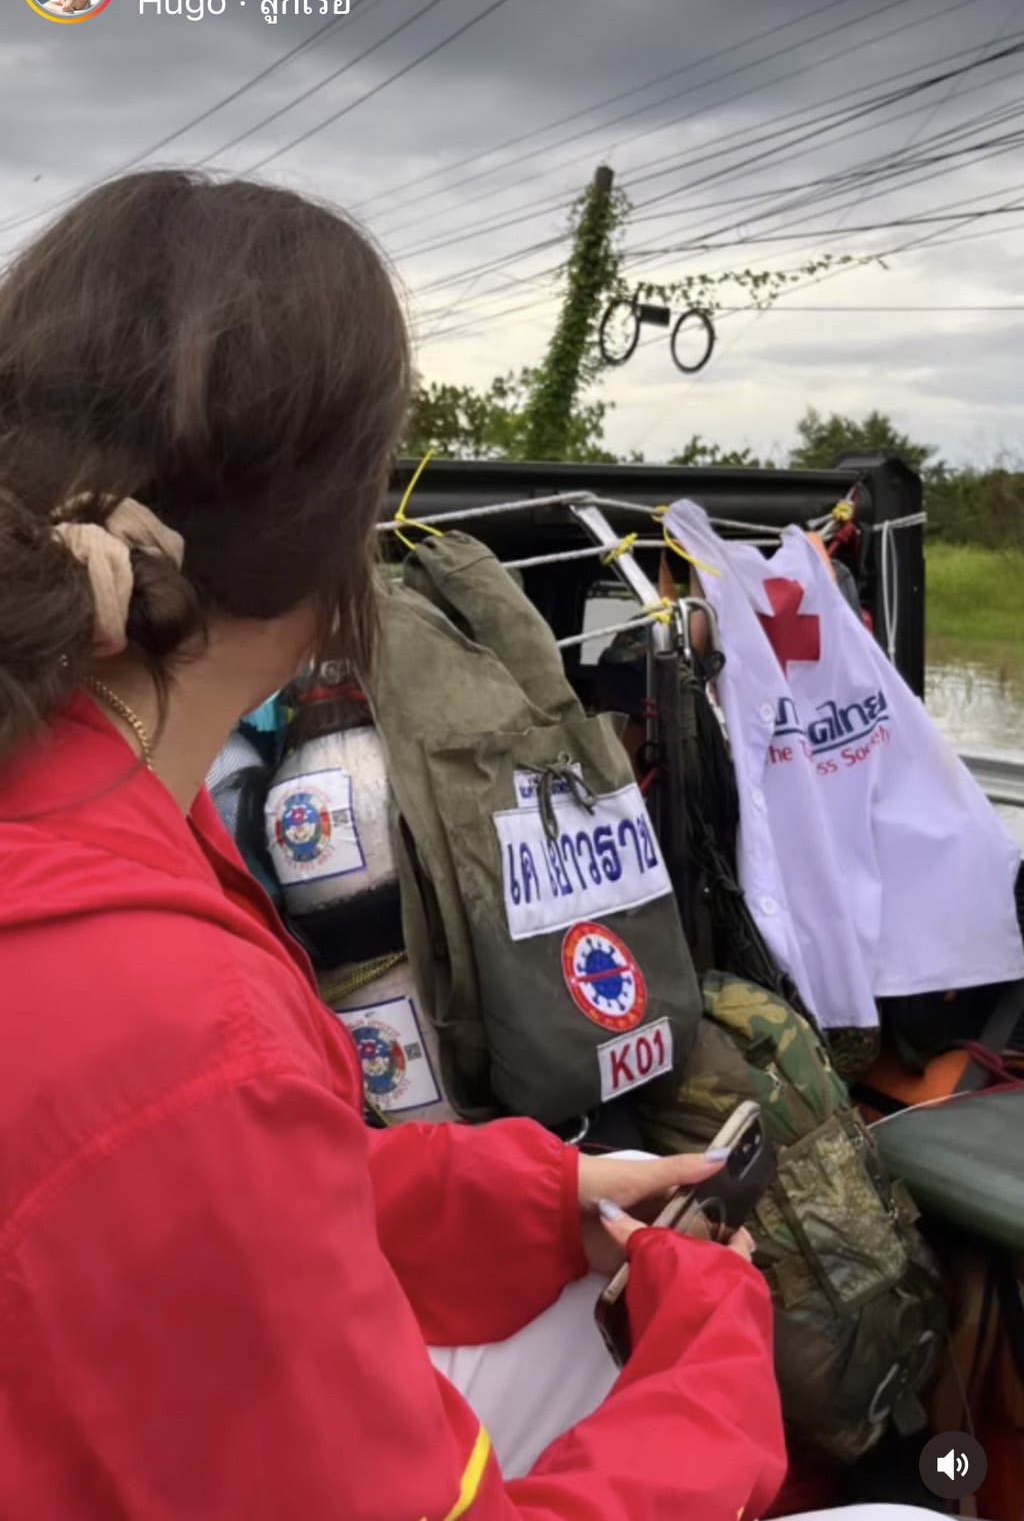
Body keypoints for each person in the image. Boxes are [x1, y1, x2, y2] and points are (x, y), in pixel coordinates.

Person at [0, 171, 941, 1521]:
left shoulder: (87, 807)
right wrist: (712, 1350)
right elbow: (195, 1132)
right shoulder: (179, 1023)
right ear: (343, 548)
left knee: (565, 1310)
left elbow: (217, 1196)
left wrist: (543, 1198)